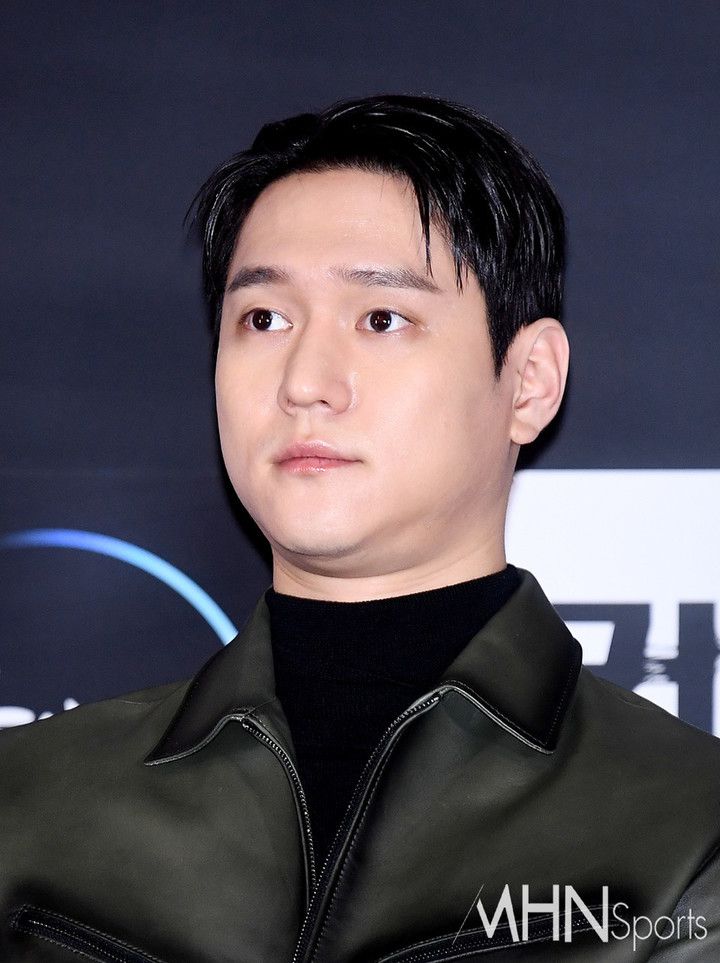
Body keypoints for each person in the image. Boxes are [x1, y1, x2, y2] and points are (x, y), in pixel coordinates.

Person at [1, 94, 719, 963]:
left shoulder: (688, 830)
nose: (305, 380)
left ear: (529, 381)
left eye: (381, 319)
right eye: (264, 319)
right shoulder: (27, 801)